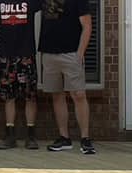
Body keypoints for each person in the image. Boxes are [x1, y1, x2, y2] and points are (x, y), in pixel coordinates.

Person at [37, 0, 93, 154]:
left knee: (79, 94)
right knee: (57, 95)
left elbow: (87, 26)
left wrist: (80, 53)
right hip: (49, 52)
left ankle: (85, 139)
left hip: (71, 53)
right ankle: (64, 138)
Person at [0, 0, 39, 149]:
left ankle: (31, 136)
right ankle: (10, 136)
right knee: (8, 97)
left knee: (30, 96)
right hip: (6, 56)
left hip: (26, 55)